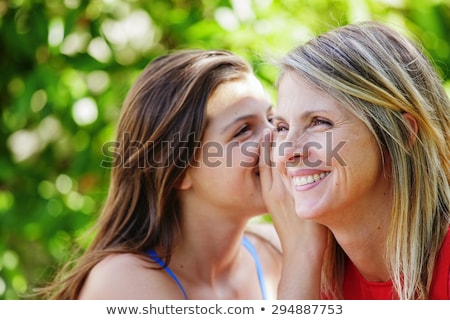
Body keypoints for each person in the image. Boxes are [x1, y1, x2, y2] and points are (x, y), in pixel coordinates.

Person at [38, 49, 323, 299]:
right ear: (178, 171)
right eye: (243, 130)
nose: (277, 139)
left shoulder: (275, 247)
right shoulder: (124, 282)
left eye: (273, 120)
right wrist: (301, 260)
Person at [270, 21, 450, 299]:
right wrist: (302, 256)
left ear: (400, 134)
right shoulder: (314, 270)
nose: (287, 151)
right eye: (282, 128)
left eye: (320, 122)